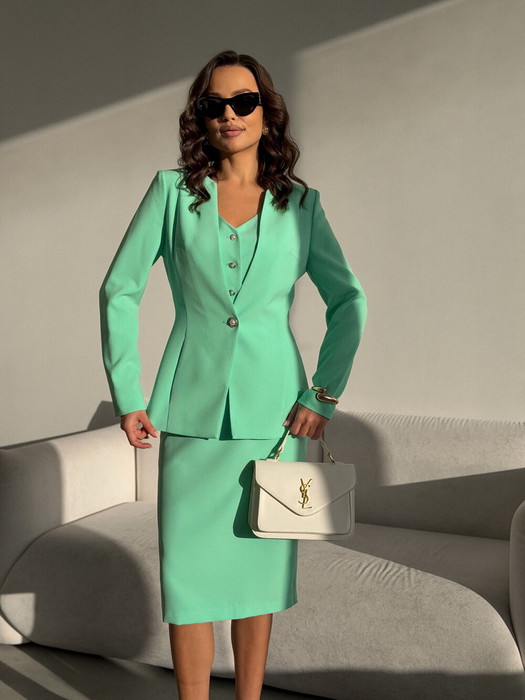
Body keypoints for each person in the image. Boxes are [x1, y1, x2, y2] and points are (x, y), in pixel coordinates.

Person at [99, 49, 367, 700]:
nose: (229, 114)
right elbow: (119, 290)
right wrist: (129, 394)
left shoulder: (300, 206)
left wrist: (321, 395)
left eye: (243, 101)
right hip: (189, 410)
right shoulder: (171, 194)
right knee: (188, 579)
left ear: (266, 111)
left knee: (256, 577)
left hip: (274, 418)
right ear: (200, 116)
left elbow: (348, 301)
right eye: (214, 104)